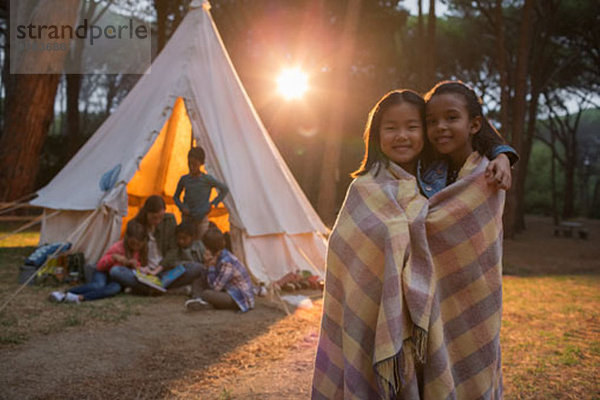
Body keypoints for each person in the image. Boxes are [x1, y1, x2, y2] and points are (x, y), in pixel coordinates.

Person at [311, 88, 509, 399]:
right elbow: (345, 252)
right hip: (377, 312)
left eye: (412, 127)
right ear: (376, 134)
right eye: (390, 128)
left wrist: (503, 153)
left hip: (450, 307)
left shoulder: (464, 178)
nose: (401, 135)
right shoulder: (364, 188)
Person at [110, 195, 202, 294]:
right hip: (144, 272)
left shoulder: (169, 220)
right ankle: (159, 288)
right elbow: (129, 250)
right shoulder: (135, 225)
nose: (157, 221)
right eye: (154, 218)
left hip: (165, 270)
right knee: (116, 271)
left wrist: (157, 270)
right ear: (146, 213)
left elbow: (173, 249)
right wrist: (139, 267)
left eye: (160, 217)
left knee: (196, 267)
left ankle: (150, 289)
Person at [48, 220, 148, 304]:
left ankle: (80, 298)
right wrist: (114, 258)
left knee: (114, 288)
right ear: (127, 239)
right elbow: (100, 266)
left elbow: (135, 269)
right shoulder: (118, 247)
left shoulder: (140, 252)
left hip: (116, 279)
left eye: (138, 245)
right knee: (99, 284)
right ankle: (64, 293)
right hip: (104, 272)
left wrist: (135, 266)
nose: (135, 247)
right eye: (132, 244)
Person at [185, 227, 254, 313]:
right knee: (198, 280)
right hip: (225, 290)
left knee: (207, 294)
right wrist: (206, 265)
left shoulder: (227, 262)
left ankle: (202, 300)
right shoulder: (217, 256)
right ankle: (198, 300)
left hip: (238, 297)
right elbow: (208, 279)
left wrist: (210, 267)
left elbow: (215, 288)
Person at [173, 147, 229, 239]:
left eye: (194, 164)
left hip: (201, 219)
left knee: (202, 243)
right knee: (187, 241)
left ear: (201, 163)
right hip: (187, 218)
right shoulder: (184, 179)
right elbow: (176, 197)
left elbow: (224, 189)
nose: (191, 167)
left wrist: (213, 204)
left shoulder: (207, 179)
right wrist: (182, 207)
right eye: (189, 164)